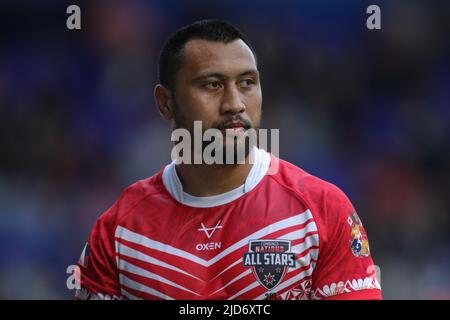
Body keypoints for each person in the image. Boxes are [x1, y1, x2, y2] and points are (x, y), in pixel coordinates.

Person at [74, 19, 382, 300]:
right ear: (165, 103)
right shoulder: (120, 231)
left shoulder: (321, 212)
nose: (234, 104)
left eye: (247, 83)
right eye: (212, 85)